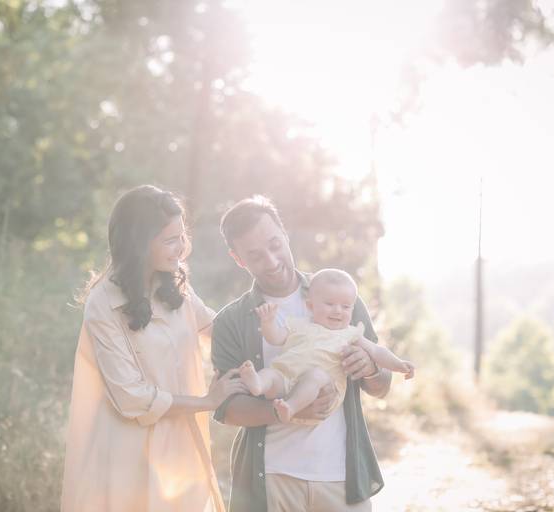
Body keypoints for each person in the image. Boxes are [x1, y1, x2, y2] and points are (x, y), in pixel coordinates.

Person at [61, 185, 245, 512]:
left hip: (180, 446)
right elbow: (130, 396)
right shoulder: (103, 303)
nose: (182, 248)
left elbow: (217, 329)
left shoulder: (174, 283)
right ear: (138, 244)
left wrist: (273, 323)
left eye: (182, 236)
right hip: (127, 453)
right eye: (170, 240)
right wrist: (206, 401)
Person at [211, 196, 392, 512]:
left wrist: (371, 370)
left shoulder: (339, 295)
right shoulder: (231, 320)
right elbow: (227, 408)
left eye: (275, 244)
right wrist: (290, 409)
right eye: (254, 255)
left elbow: (382, 385)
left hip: (340, 477)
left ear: (285, 232)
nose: (271, 260)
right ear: (238, 259)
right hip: (270, 481)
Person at [239, 268, 414, 423]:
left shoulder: (350, 334)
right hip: (285, 380)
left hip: (322, 392)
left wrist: (399, 364)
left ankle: (290, 408)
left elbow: (377, 351)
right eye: (329, 304)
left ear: (352, 309)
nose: (337, 310)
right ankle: (258, 384)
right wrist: (268, 322)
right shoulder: (299, 324)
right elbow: (275, 338)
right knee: (270, 373)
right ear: (310, 305)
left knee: (315, 375)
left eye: (345, 307)